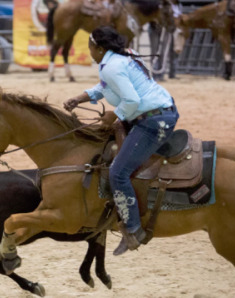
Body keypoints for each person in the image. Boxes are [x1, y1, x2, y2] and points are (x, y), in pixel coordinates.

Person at [63, 26, 179, 256]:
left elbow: (131, 100)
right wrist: (81, 97)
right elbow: (107, 87)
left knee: (118, 172)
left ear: (100, 48)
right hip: (161, 110)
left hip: (152, 121)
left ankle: (134, 229)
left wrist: (114, 115)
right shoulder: (122, 57)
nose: (89, 53)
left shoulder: (112, 67)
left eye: (90, 49)